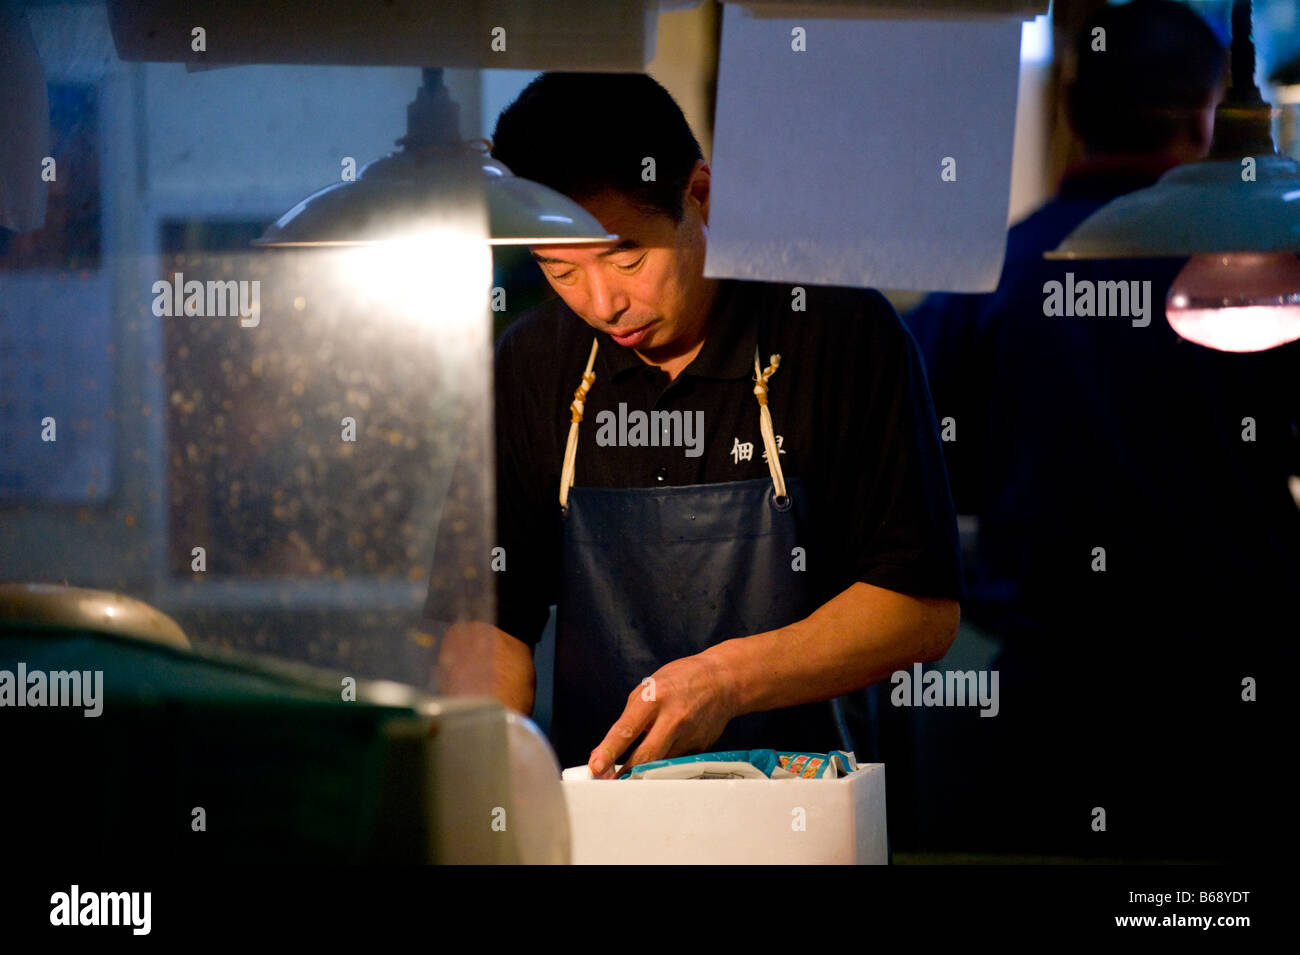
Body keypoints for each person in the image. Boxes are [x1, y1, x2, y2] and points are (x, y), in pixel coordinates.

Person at [423, 72, 964, 777]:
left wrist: (726, 678)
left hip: (808, 816)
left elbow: (919, 608)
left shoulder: (839, 331)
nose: (604, 303)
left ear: (699, 194)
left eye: (627, 258)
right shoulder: (533, 364)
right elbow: (489, 617)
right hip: (607, 814)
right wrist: (489, 767)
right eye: (561, 272)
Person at [904, 0, 1297, 859]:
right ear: (1212, 120)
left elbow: (922, 459)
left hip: (1050, 701)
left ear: (1072, 116)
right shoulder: (1281, 262)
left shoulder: (991, 276)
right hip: (1239, 703)